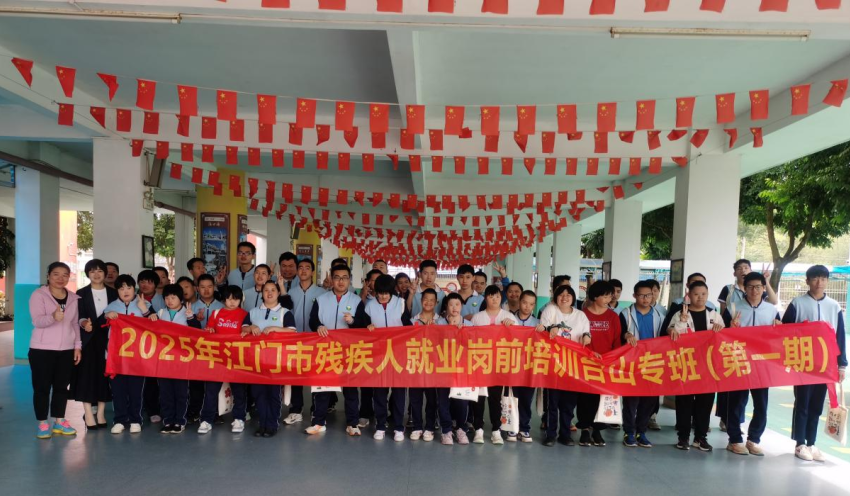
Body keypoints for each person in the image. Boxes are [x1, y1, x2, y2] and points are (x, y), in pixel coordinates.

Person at [782, 265, 847, 462]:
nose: (819, 282)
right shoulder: (797, 303)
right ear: (807, 281)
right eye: (815, 278)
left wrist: (841, 365)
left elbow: (840, 337)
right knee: (802, 403)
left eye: (823, 278)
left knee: (817, 405)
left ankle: (811, 443)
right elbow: (784, 331)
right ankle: (800, 443)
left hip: (825, 365)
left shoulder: (834, 306)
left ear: (827, 281)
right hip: (803, 364)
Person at [722, 272, 781, 456]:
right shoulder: (733, 308)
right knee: (736, 403)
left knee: (761, 404)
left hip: (762, 364)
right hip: (738, 361)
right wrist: (730, 328)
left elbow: (780, 337)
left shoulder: (771, 311)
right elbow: (720, 335)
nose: (754, 290)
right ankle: (734, 440)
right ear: (744, 288)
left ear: (764, 288)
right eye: (750, 287)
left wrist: (779, 329)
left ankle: (753, 440)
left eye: (758, 287)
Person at [663, 280, 725, 452]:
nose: (700, 297)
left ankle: (700, 437)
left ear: (708, 294)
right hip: (686, 366)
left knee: (705, 404)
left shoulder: (714, 316)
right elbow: (672, 333)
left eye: (703, 294)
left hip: (708, 368)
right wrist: (681, 323)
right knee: (684, 403)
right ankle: (683, 437)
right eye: (696, 294)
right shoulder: (680, 314)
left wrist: (723, 329)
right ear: (689, 295)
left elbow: (724, 339)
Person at [354, 274, 413, 441]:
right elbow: (362, 328)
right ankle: (380, 425)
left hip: (398, 355)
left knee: (399, 393)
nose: (383, 296)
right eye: (380, 293)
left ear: (392, 291)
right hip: (378, 355)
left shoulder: (400, 304)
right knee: (379, 392)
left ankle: (399, 427)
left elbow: (408, 327)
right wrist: (368, 327)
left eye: (386, 293)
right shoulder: (369, 306)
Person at [307, 264, 364, 436]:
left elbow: (363, 324)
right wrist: (318, 326)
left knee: (350, 389)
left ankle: (352, 423)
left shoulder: (356, 301)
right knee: (323, 389)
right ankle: (318, 422)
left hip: (348, 351)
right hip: (326, 350)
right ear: (331, 279)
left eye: (344, 278)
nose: (341, 281)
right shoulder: (321, 299)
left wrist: (353, 321)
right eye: (337, 277)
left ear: (349, 280)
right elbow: (312, 320)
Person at [29, 262, 82, 439]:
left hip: (66, 350)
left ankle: (59, 422)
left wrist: (77, 346)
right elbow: (37, 321)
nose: (60, 278)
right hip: (41, 350)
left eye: (65, 275)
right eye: (56, 274)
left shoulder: (73, 298)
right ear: (48, 276)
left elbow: (75, 324)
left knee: (61, 387)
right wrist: (52, 317)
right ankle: (43, 423)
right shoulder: (38, 295)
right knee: (42, 388)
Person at [537, 284, 590, 447]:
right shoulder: (550, 311)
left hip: (573, 365)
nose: (564, 297)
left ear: (573, 297)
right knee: (552, 403)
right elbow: (542, 330)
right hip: (553, 364)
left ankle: (565, 435)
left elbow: (586, 333)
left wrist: (587, 337)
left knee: (568, 404)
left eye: (568, 295)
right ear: (555, 297)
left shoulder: (580, 315)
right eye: (561, 294)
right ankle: (550, 435)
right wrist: (550, 328)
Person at [242, 281, 297, 437]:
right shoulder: (253, 312)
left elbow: (293, 332)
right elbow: (243, 328)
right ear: (262, 293)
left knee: (273, 394)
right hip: (256, 361)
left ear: (279, 293)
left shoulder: (285, 312)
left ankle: (272, 424)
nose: (270, 293)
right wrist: (250, 327)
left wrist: (275, 329)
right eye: (266, 290)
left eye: (273, 290)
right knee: (259, 393)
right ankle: (262, 423)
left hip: (276, 361)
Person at [70, 259, 117, 430]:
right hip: (88, 340)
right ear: (87, 274)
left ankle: (101, 413)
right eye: (92, 271)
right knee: (86, 376)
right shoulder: (81, 293)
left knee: (104, 375)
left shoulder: (114, 293)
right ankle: (88, 413)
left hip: (108, 340)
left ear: (105, 273)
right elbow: (79, 316)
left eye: (100, 271)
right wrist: (84, 324)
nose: (96, 274)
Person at [619, 280, 664, 448]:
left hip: (653, 363)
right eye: (641, 295)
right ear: (634, 296)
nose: (645, 299)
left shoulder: (660, 315)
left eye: (649, 295)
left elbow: (665, 338)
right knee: (631, 400)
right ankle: (629, 432)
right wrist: (626, 335)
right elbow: (619, 334)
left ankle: (641, 432)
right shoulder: (626, 314)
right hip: (632, 363)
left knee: (649, 400)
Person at [104, 274, 152, 434]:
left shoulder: (144, 304)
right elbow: (102, 324)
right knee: (118, 391)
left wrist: (144, 309)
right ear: (117, 291)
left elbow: (154, 323)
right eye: (121, 288)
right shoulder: (111, 306)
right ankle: (119, 420)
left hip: (137, 357)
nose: (125, 291)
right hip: (116, 357)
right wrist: (107, 316)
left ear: (134, 289)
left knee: (135, 391)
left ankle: (135, 420)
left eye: (129, 287)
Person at [199, 285, 251, 434]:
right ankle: (206, 420)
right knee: (211, 391)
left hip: (237, 359)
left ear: (240, 300)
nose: (232, 302)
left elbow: (248, 334)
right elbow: (209, 330)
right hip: (217, 359)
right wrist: (210, 330)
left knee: (239, 391)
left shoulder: (245, 314)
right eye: (229, 299)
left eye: (235, 299)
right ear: (224, 300)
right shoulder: (216, 313)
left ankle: (239, 419)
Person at [470, 285, 516, 445]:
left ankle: (496, 430)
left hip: (498, 365)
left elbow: (518, 338)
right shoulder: (477, 317)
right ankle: (478, 429)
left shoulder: (509, 316)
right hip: (480, 364)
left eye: (497, 296)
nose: (494, 299)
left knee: (495, 399)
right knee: (479, 398)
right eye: (490, 296)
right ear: (485, 298)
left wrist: (512, 326)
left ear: (501, 298)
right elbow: (470, 339)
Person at [578, 280, 621, 447]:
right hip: (586, 362)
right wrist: (588, 354)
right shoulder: (582, 315)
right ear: (595, 297)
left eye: (610, 296)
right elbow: (578, 337)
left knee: (603, 397)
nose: (609, 299)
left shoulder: (613, 317)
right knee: (585, 397)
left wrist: (614, 359)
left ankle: (597, 430)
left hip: (607, 364)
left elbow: (617, 340)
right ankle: (585, 429)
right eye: (605, 296)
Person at [284, 258, 326, 426]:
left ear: (313, 272)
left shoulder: (322, 293)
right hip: (295, 339)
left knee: (316, 375)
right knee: (296, 376)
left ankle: (317, 410)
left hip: (315, 339)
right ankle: (296, 410)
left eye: (307, 268)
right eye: (300, 268)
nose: (303, 271)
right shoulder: (291, 292)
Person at [434, 293, 472, 445]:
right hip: (443, 369)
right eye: (451, 304)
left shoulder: (469, 325)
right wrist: (449, 329)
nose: (454, 308)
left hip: (462, 370)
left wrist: (462, 333)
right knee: (443, 401)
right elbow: (433, 344)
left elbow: (474, 345)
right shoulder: (438, 323)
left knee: (462, 401)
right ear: (446, 307)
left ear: (461, 306)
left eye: (457, 304)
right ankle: (446, 431)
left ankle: (461, 429)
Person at [156, 283, 193, 434]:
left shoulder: (187, 313)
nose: (169, 301)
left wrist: (191, 318)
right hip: (163, 360)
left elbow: (197, 333)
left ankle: (180, 420)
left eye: (173, 297)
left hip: (182, 360)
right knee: (165, 393)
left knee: (181, 392)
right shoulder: (160, 313)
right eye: (167, 298)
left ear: (181, 298)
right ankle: (168, 420)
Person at [409, 288, 442, 442]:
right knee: (415, 398)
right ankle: (417, 427)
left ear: (436, 302)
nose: (428, 302)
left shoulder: (441, 321)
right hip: (416, 364)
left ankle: (429, 427)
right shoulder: (412, 320)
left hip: (433, 367)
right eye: (425, 299)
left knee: (432, 399)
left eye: (432, 300)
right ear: (421, 301)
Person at [510, 290, 539, 443]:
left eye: (531, 304)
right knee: (512, 398)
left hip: (529, 368)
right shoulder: (509, 319)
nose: (527, 306)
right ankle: (512, 427)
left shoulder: (537, 323)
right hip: (512, 366)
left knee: (526, 400)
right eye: (525, 302)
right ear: (519, 301)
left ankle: (524, 428)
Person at [175, 276, 205, 422]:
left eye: (186, 287)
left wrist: (193, 318)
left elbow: (197, 329)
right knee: (180, 386)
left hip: (199, 351)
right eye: (180, 288)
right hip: (178, 353)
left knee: (197, 383)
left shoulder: (197, 306)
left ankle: (196, 410)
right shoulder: (170, 309)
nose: (184, 290)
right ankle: (182, 412)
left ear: (194, 288)